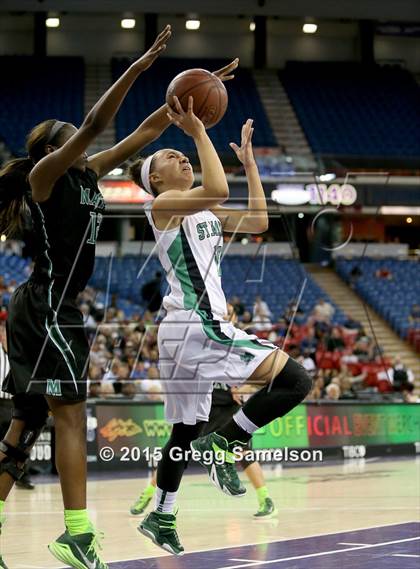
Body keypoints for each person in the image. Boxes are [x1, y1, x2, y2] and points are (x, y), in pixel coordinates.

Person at [0, 25, 172, 569]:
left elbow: (139, 134)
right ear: (55, 148)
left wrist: (183, 103)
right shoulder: (47, 175)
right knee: (73, 416)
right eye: (75, 138)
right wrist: (139, 67)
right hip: (48, 306)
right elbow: (100, 122)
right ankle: (77, 534)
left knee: (25, 427)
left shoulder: (89, 175)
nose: (89, 143)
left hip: (48, 307)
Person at [129, 89, 312, 555]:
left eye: (182, 152)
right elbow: (218, 189)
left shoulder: (202, 211)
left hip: (181, 332)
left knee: (184, 431)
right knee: (295, 379)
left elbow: (256, 221)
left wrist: (249, 163)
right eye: (171, 156)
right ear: (154, 179)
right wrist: (198, 130)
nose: (182, 157)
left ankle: (163, 517)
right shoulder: (162, 208)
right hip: (196, 323)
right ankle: (227, 443)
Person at [130, 307, 277, 520]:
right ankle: (148, 495)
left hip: (227, 408)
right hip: (201, 406)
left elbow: (260, 375)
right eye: (222, 310)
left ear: (233, 317)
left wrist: (243, 389)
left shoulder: (235, 341)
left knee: (243, 454)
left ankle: (266, 499)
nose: (224, 313)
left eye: (229, 312)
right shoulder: (200, 335)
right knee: (176, 452)